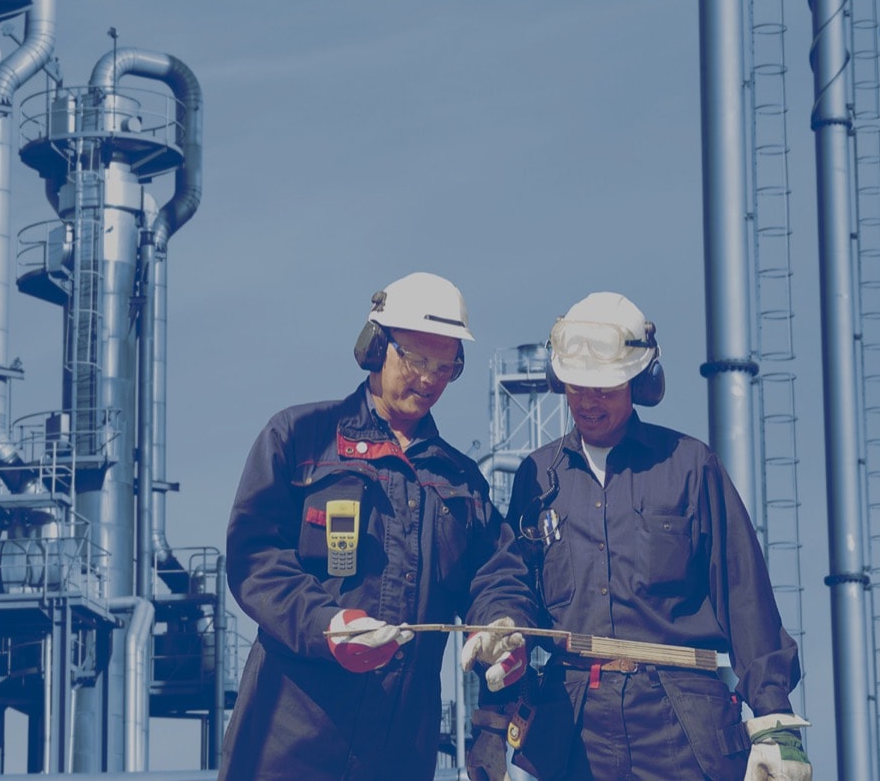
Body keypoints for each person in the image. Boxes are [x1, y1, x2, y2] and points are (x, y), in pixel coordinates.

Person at [469, 292, 810, 781]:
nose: (588, 402)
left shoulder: (689, 466)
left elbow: (744, 595)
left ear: (638, 382)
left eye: (604, 389)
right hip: (572, 733)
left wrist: (774, 719)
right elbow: (514, 583)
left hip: (682, 730)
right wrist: (503, 624)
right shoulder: (536, 477)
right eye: (577, 386)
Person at [220, 272, 540, 781]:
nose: (431, 379)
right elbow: (254, 558)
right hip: (287, 746)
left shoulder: (460, 483)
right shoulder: (300, 440)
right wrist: (325, 623)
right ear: (375, 346)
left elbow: (495, 574)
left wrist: (501, 622)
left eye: (447, 366)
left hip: (396, 755)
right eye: (416, 359)